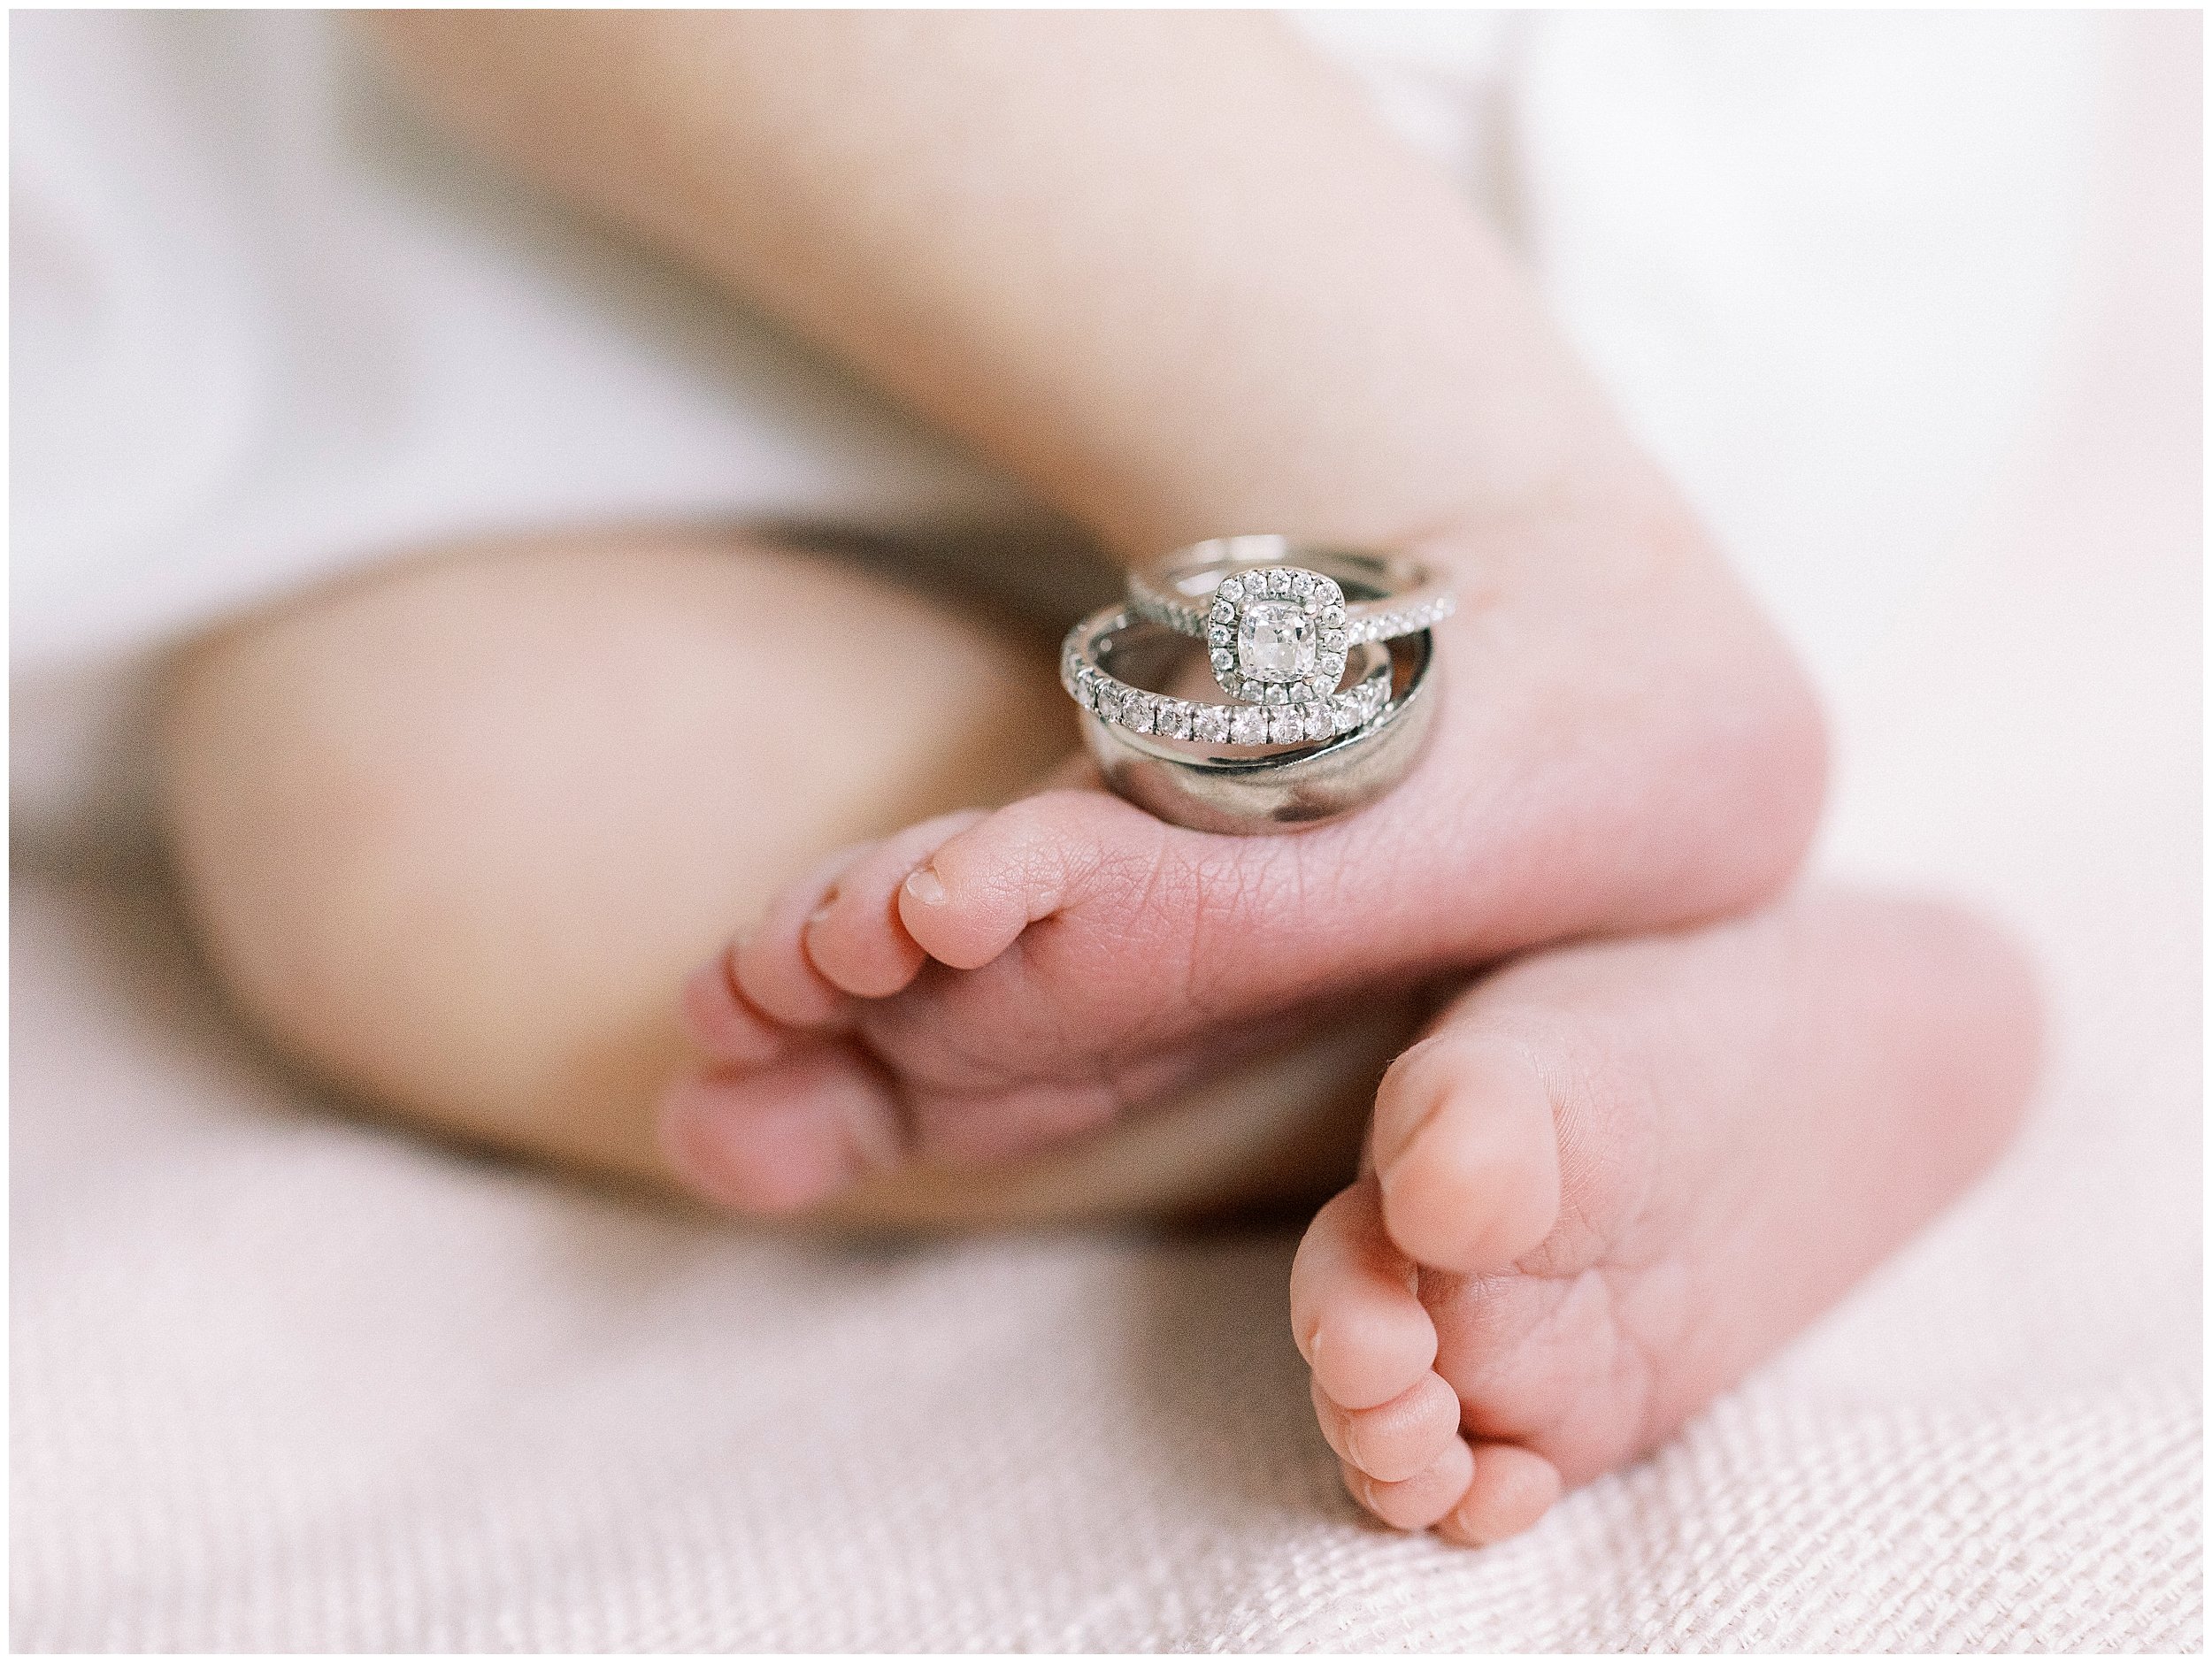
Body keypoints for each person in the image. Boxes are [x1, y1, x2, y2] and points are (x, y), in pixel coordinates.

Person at [97, 15, 2039, 1547]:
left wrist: (1467, 500)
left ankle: (1533, 545)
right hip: (782, 524)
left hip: (1296, 199)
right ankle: (1485, 1018)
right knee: (368, 802)